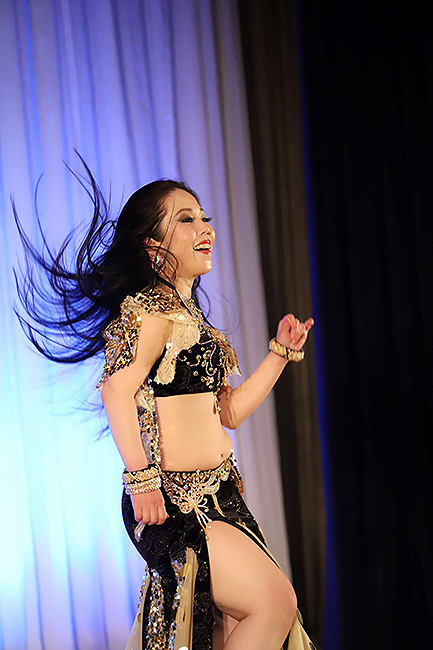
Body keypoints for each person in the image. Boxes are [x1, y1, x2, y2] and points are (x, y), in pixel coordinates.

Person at [14, 160, 316, 650]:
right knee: (275, 602)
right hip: (173, 504)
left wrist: (280, 353)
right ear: (154, 248)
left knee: (238, 625)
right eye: (186, 219)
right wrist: (142, 481)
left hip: (220, 497)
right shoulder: (150, 313)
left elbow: (229, 413)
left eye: (204, 217)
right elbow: (115, 391)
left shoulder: (191, 318)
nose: (205, 229)